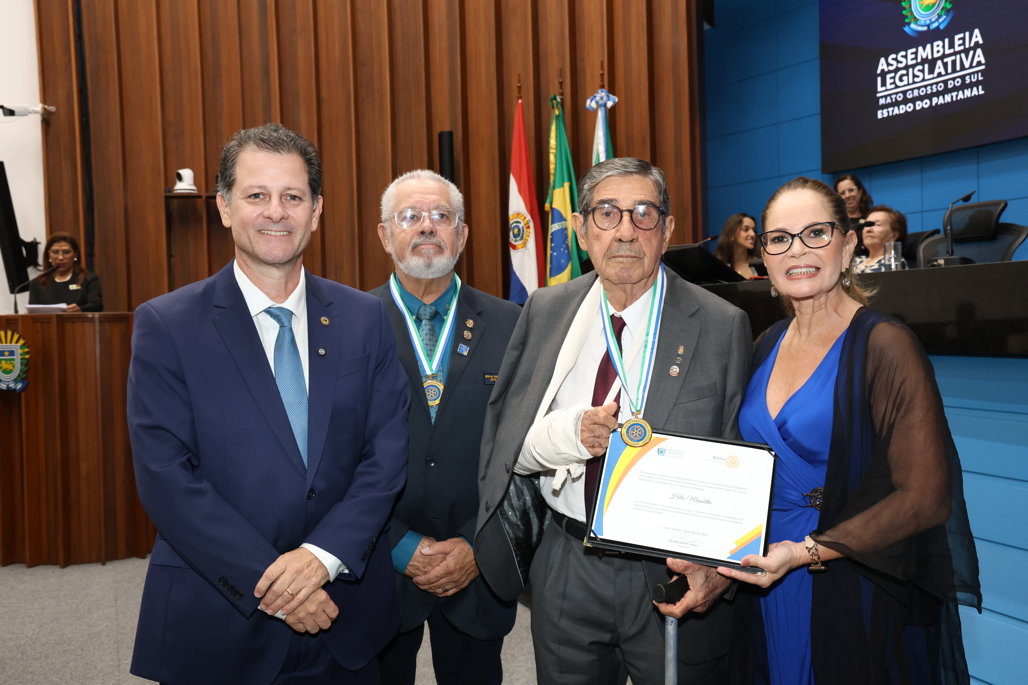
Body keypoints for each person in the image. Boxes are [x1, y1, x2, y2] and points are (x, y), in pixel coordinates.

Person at [127, 123, 410, 685]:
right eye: (256, 195)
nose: (275, 212)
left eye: (293, 197)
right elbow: (166, 477)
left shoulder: (365, 319)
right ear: (224, 207)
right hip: (220, 617)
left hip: (345, 616)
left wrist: (321, 558)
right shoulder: (167, 324)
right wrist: (279, 585)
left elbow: (386, 455)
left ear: (316, 210)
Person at [475, 157, 752, 684]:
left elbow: (736, 455)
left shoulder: (721, 324)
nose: (625, 231)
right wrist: (566, 437)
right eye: (607, 213)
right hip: (566, 560)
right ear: (582, 230)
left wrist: (721, 570)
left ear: (667, 231)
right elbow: (506, 443)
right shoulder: (545, 310)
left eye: (643, 213)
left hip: (671, 569)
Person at [693, 176, 980, 683]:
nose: (796, 250)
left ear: (847, 247)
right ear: (764, 257)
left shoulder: (886, 344)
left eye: (815, 233)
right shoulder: (765, 342)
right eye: (779, 238)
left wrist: (806, 552)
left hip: (846, 572)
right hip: (761, 570)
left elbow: (925, 497)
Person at [369, 170, 520, 685]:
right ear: (385, 235)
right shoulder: (350, 324)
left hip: (476, 562)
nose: (427, 226)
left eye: (441, 216)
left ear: (463, 233)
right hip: (379, 562)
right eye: (409, 216)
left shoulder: (512, 323)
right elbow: (333, 456)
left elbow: (523, 451)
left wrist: (477, 544)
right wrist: (398, 545)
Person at [28, 232, 103, 311]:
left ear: (75, 255)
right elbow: (33, 313)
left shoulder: (88, 279)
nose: (60, 257)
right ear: (48, 255)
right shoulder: (37, 283)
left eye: (66, 252)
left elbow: (96, 306)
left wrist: (80, 310)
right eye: (55, 252)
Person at [853, 204, 908, 273]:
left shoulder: (895, 262)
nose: (868, 229)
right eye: (867, 225)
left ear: (894, 235)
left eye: (878, 224)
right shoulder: (856, 261)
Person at [714, 212, 760, 278]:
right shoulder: (718, 266)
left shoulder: (758, 264)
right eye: (746, 229)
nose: (753, 234)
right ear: (731, 234)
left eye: (754, 230)